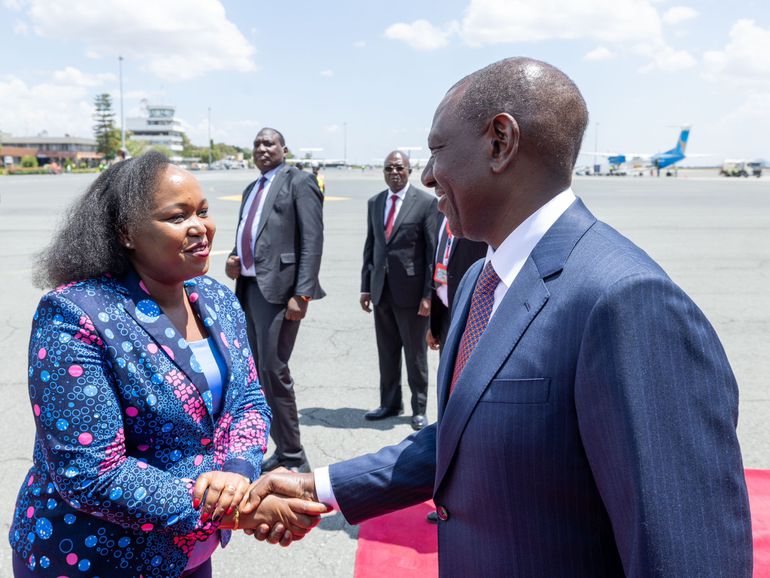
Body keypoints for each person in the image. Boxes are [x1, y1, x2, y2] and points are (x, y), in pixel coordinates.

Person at [246, 58, 753, 576]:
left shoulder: (626, 302)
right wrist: (319, 486)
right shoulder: (479, 282)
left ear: (499, 143)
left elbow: (687, 553)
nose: (426, 174)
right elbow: (461, 438)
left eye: (437, 150)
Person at [9, 152, 326, 578]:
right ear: (126, 233)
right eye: (177, 217)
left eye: (204, 212)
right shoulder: (74, 315)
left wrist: (237, 472)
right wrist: (238, 511)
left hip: (187, 555)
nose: (200, 228)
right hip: (96, 558)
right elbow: (92, 474)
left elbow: (248, 399)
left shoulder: (216, 298)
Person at [225, 128, 325, 474]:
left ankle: (295, 455)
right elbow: (249, 233)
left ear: (284, 148)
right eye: (256, 144)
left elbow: (312, 238)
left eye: (269, 143)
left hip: (281, 292)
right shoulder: (251, 188)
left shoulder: (298, 182)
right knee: (259, 373)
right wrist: (235, 259)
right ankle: (281, 449)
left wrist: (303, 292)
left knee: (274, 370)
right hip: (250, 288)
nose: (262, 148)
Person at [360, 151, 437, 431]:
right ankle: (390, 403)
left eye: (399, 168)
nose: (394, 172)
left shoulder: (426, 204)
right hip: (382, 292)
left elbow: (432, 252)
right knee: (387, 351)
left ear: (409, 170)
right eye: (389, 168)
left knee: (415, 355)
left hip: (413, 294)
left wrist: (429, 295)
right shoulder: (375, 202)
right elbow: (371, 247)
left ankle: (419, 408)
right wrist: (365, 287)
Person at [426, 214, 487, 352]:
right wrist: (434, 326)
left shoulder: (474, 213)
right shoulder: (441, 214)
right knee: (445, 369)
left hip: (467, 316)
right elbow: (437, 259)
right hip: (444, 312)